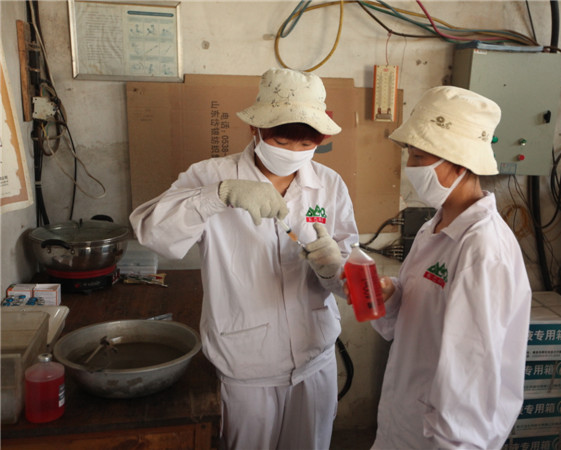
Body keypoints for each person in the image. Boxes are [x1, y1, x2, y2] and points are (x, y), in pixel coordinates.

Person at [129, 67, 358, 450]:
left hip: (315, 358)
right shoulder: (210, 175)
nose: (294, 152)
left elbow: (350, 276)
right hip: (246, 367)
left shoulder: (329, 185)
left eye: (306, 144)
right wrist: (218, 195)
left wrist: (334, 269)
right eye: (282, 140)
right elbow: (153, 232)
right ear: (255, 128)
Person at [363, 86, 531, 449]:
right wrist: (391, 295)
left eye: (420, 157)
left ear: (459, 161)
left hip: (443, 437)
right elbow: (412, 320)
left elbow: (471, 370)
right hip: (405, 419)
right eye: (410, 155)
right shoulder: (435, 226)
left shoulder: (482, 250)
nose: (411, 167)